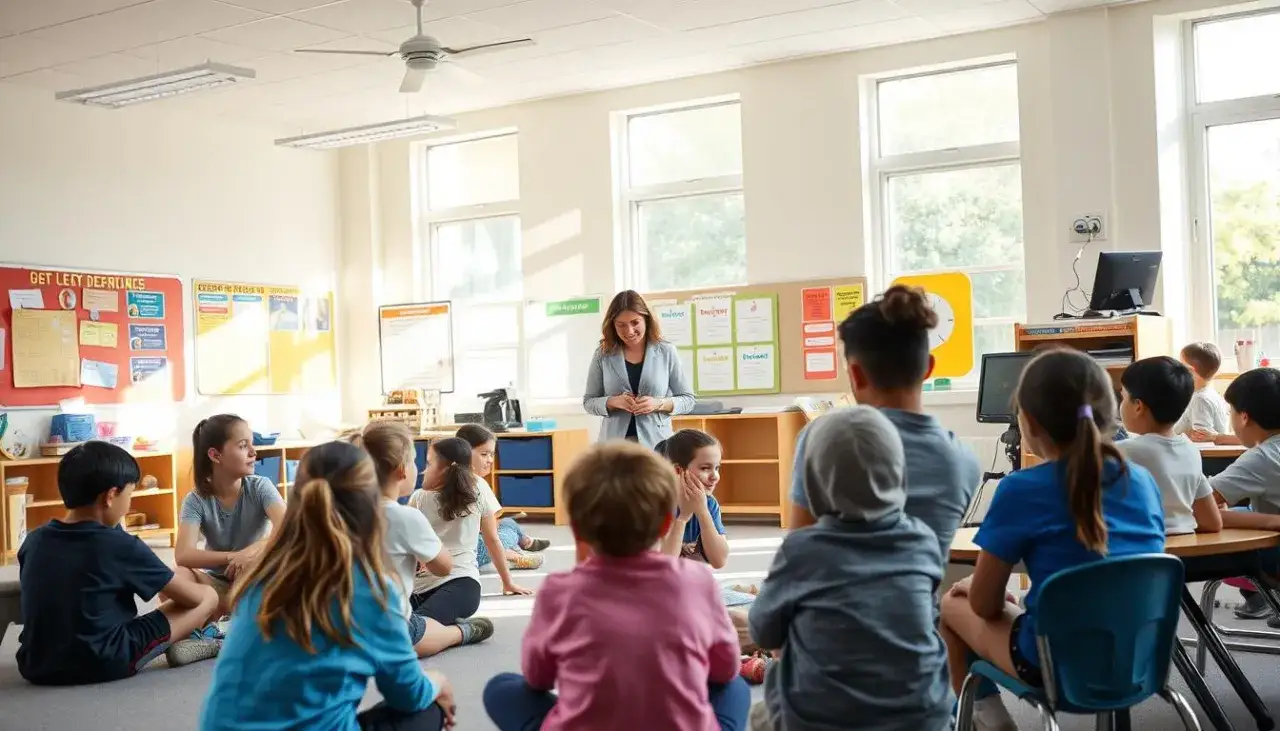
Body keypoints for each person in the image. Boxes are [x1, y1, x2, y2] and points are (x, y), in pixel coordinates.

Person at [939, 349, 1165, 731]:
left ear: (1027, 420)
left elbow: (984, 605)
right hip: (1138, 660)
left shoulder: (1020, 489)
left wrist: (980, 590)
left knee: (950, 605)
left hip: (1053, 668)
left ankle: (990, 720)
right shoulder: (1141, 481)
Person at [482, 441, 750, 731]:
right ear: (665, 523)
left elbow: (538, 677)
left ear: (576, 528)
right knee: (735, 687)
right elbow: (725, 668)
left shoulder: (558, 590)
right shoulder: (698, 581)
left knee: (501, 688)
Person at [200, 441, 453, 731]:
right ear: (371, 503)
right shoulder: (374, 591)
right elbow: (409, 695)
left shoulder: (263, 576)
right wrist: (439, 681)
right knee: (429, 708)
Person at [747, 407, 951, 731]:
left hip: (822, 721)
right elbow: (929, 618)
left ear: (813, 480)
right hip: (923, 718)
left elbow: (763, 631)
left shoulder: (802, 549)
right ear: (899, 471)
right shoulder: (922, 540)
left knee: (762, 710)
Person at [17, 442, 222, 685]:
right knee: (208, 596)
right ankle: (206, 638)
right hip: (104, 660)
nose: (129, 504)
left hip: (36, 664)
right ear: (111, 496)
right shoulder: (121, 545)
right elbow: (193, 599)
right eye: (129, 494)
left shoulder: (34, 540)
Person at [344, 421, 477, 659]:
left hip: (343, 621)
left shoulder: (339, 512)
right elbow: (444, 567)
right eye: (416, 461)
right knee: (412, 633)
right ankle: (459, 633)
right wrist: (429, 547)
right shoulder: (407, 517)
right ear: (401, 470)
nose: (420, 469)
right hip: (390, 623)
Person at [408, 437, 521, 634]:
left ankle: (465, 633)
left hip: (461, 583)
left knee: (413, 632)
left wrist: (507, 582)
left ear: (446, 468)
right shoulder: (420, 497)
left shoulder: (476, 491)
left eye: (429, 464)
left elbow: (492, 539)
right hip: (420, 587)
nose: (424, 470)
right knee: (394, 628)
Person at [176, 414, 286, 616]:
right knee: (177, 578)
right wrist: (233, 557)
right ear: (215, 455)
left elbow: (289, 529)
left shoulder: (260, 486)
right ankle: (226, 614)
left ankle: (221, 615)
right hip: (217, 583)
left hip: (256, 578)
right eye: (243, 445)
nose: (253, 452)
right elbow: (183, 555)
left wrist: (250, 552)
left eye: (252, 444)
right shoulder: (195, 500)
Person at [1195, 368, 1280, 626]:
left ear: (1244, 417)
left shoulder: (1262, 457)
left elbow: (1197, 507)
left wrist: (1219, 516)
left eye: (1230, 411)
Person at [1117, 356, 1223, 535]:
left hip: (1140, 547)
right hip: (1185, 547)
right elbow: (1212, 522)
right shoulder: (1190, 451)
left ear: (1138, 406)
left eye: (1123, 397)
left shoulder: (1120, 452)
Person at [583, 289, 696, 449]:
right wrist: (612, 402)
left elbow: (688, 400)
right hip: (614, 447)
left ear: (646, 319)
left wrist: (658, 404)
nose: (629, 331)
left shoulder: (666, 351)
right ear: (612, 325)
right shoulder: (603, 354)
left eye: (635, 322)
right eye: (621, 325)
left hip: (657, 444)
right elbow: (589, 402)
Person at [458, 424, 551, 572]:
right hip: (474, 551)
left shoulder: (444, 477)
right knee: (508, 528)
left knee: (507, 522)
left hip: (442, 553)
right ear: (463, 453)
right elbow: (491, 535)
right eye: (484, 454)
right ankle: (514, 555)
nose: (490, 460)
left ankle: (519, 547)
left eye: (491, 454)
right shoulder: (478, 484)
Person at [657, 429, 731, 569]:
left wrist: (703, 512)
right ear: (678, 470)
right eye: (705, 468)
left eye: (717, 468)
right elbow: (664, 565)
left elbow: (719, 561)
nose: (715, 477)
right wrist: (683, 518)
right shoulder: (658, 504)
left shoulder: (709, 503)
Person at [1178, 342, 1235, 444]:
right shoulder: (1212, 394)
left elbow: (1202, 438)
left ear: (1191, 370)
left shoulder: (1200, 399)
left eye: (1180, 366)